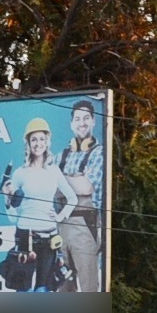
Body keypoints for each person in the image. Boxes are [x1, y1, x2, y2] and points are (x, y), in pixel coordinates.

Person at [0, 117, 73, 292]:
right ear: (28, 143)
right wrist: (6, 198)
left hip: (49, 237)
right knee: (23, 289)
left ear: (47, 142)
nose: (38, 143)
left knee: (43, 289)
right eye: (34, 139)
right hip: (25, 236)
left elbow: (72, 199)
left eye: (41, 139)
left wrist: (60, 216)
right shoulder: (20, 173)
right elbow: (12, 217)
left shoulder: (54, 171)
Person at [56, 98, 105, 292]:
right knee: (61, 287)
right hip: (60, 226)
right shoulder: (61, 155)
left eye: (86, 118)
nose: (82, 123)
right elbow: (48, 186)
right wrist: (74, 178)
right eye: (78, 119)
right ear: (71, 124)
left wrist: (61, 179)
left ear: (93, 121)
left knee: (88, 289)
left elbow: (86, 187)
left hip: (85, 225)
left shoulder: (99, 153)